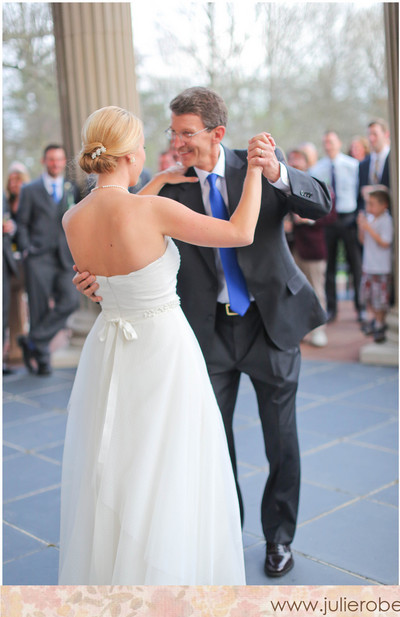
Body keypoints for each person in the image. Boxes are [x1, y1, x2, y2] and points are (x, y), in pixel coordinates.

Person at [73, 87, 332, 579]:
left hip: (269, 323)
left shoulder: (256, 165)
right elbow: (113, 235)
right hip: (201, 332)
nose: (176, 144)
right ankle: (222, 535)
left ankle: (279, 538)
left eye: (185, 134)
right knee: (210, 442)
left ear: (216, 133)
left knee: (282, 440)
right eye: (171, 133)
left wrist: (276, 171)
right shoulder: (163, 187)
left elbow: (321, 203)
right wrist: (93, 277)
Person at [58, 105, 266, 583]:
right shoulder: (152, 211)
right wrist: (253, 170)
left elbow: (108, 257)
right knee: (170, 459)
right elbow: (240, 232)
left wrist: (157, 183)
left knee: (119, 462)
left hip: (108, 348)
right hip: (162, 349)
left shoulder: (73, 218)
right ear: (132, 153)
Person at [15, 145, 81, 376]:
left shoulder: (71, 187)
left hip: (65, 257)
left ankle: (34, 340)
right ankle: (42, 360)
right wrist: (26, 249)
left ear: (64, 162)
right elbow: (21, 223)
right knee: (39, 307)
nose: (55, 164)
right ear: (44, 161)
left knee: (71, 301)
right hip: (38, 258)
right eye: (51, 159)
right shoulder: (30, 189)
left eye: (59, 160)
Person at [309, 131, 361, 326]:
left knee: (355, 264)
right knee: (329, 266)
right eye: (325, 142)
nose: (328, 145)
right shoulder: (317, 168)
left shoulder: (353, 165)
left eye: (331, 141)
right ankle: (332, 308)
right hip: (329, 220)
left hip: (349, 218)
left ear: (338, 142)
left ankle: (360, 307)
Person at [288, 148, 330, 347]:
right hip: (289, 246)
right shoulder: (281, 181)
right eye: (291, 158)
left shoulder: (315, 182)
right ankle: (302, 329)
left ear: (306, 161)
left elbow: (330, 213)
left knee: (316, 289)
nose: (294, 162)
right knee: (296, 290)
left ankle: (319, 330)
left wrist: (306, 220)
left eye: (298, 158)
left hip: (311, 247)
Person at [357, 187, 393, 342]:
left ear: (383, 205)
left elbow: (385, 242)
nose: (368, 208)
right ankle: (374, 321)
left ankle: (380, 323)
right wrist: (361, 227)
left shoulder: (386, 220)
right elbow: (363, 240)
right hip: (368, 265)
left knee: (380, 299)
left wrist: (368, 228)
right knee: (369, 297)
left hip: (380, 267)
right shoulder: (370, 220)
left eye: (372, 204)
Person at [3, 162, 30, 374]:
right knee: (10, 304)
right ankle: (11, 351)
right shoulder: (6, 201)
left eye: (18, 179)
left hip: (27, 257)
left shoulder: (30, 198)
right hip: (10, 258)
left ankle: (23, 346)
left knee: (24, 305)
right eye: (11, 180)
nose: (14, 184)